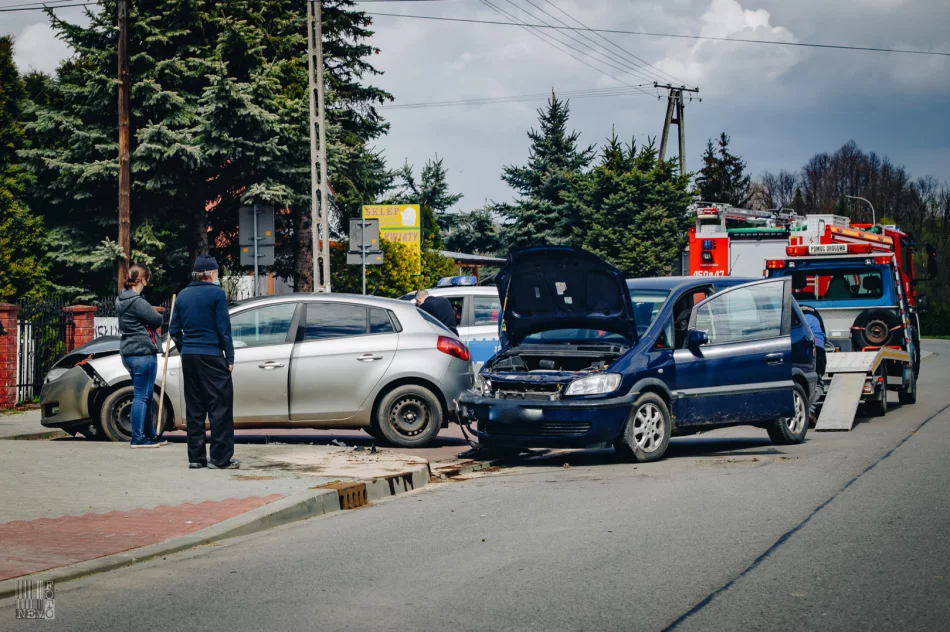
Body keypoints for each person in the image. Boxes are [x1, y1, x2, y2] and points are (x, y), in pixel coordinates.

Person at [169, 255, 238, 470]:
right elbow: (223, 329)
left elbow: (173, 330)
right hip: (212, 355)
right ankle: (219, 458)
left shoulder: (182, 295)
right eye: (216, 272)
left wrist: (185, 348)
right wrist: (229, 357)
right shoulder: (216, 294)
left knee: (195, 407)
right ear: (210, 273)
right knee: (220, 406)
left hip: (189, 357)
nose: (218, 276)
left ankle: (196, 458)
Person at [117, 263, 167, 448]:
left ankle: (150, 435)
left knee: (144, 394)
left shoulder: (121, 299)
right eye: (147, 279)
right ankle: (138, 438)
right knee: (142, 396)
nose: (147, 283)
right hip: (142, 352)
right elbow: (157, 319)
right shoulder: (137, 301)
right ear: (142, 279)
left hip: (128, 352)